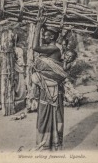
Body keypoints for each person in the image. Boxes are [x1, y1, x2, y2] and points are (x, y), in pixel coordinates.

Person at [31, 12, 67, 151]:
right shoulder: (51, 48)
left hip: (51, 88)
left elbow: (35, 47)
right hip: (46, 87)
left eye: (45, 35)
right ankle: (46, 143)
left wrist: (38, 26)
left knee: (48, 113)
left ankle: (50, 144)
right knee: (44, 113)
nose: (43, 37)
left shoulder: (53, 48)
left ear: (51, 37)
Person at [14, 35, 26, 101]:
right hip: (11, 67)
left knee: (19, 82)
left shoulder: (19, 49)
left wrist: (15, 60)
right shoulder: (8, 49)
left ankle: (19, 96)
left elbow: (20, 60)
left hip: (18, 67)